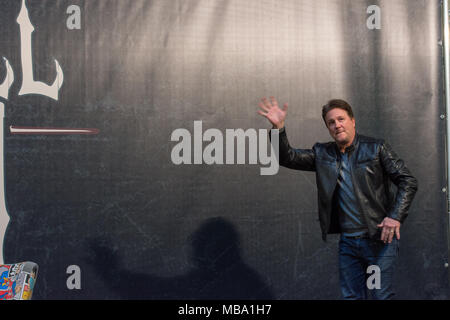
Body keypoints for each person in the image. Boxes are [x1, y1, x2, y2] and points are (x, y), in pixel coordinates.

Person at [257, 96, 418, 300]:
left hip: (378, 241)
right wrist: (279, 128)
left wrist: (395, 216)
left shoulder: (376, 148)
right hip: (348, 244)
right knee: (351, 297)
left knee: (380, 296)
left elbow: (408, 181)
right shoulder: (322, 154)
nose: (337, 125)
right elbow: (287, 157)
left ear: (352, 121)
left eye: (341, 119)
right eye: (331, 122)